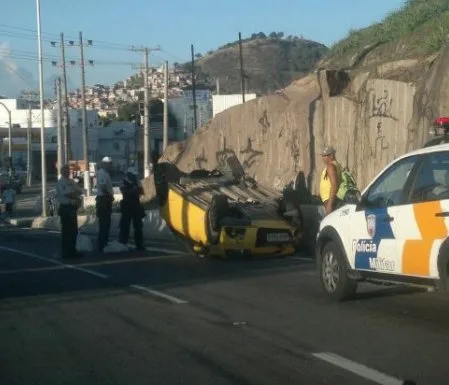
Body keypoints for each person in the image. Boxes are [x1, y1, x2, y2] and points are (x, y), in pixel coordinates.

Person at [55, 164, 83, 259]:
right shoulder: (60, 182)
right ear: (62, 172)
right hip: (65, 208)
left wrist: (76, 194)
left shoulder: (71, 181)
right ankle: (66, 252)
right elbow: (67, 194)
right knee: (66, 231)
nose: (67, 172)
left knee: (73, 231)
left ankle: (72, 250)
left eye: (68, 170)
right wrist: (75, 195)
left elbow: (79, 190)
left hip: (72, 208)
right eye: (65, 170)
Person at [119, 167, 145, 251]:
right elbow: (124, 192)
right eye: (133, 175)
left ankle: (139, 245)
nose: (134, 176)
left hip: (136, 206)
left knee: (138, 226)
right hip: (126, 206)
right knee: (125, 226)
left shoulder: (137, 181)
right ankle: (123, 243)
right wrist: (133, 190)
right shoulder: (123, 181)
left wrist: (134, 190)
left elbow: (141, 191)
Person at [96, 156, 114, 252]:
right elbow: (103, 187)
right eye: (109, 164)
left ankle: (103, 243)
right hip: (103, 200)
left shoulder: (104, 173)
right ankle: (102, 244)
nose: (111, 166)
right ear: (104, 164)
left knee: (106, 223)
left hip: (104, 199)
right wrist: (109, 196)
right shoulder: (102, 174)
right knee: (104, 223)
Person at [319, 145, 343, 215]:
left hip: (329, 200)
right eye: (322, 156)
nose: (323, 158)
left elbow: (334, 185)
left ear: (331, 155)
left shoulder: (330, 166)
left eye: (325, 156)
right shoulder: (336, 165)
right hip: (328, 199)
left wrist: (330, 204)